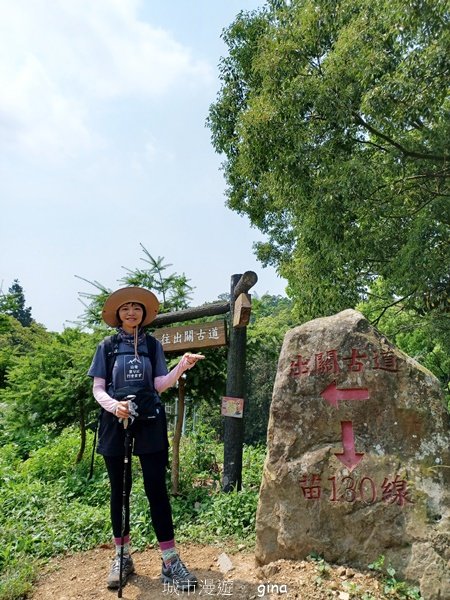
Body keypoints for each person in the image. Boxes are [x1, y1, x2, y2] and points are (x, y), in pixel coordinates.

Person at [88, 286, 204, 591]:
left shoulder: (153, 346)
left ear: (143, 313)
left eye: (136, 308)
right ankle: (122, 557)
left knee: (156, 490)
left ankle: (169, 561)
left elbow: (159, 384)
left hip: (150, 420)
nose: (131, 312)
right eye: (125, 308)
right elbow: (98, 388)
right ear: (118, 314)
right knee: (119, 492)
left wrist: (181, 366)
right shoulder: (108, 346)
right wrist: (116, 407)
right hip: (116, 422)